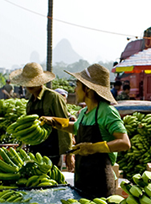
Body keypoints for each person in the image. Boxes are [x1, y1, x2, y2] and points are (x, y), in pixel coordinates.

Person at [43, 63, 131, 197]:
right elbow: (76, 127)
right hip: (82, 178)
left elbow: (124, 143)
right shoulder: (84, 112)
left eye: (78, 85)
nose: (75, 89)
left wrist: (93, 148)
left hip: (101, 181)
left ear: (88, 89)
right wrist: (54, 122)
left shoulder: (107, 112)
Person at [9, 62, 72, 166]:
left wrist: (68, 154)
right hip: (35, 152)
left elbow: (64, 126)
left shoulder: (53, 97)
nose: (29, 85)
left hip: (52, 152)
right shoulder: (30, 103)